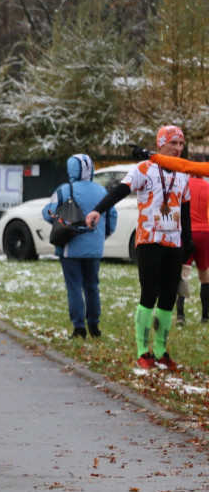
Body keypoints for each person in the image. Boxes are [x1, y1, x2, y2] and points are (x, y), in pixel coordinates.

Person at [86, 126, 191, 370]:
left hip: (173, 243)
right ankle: (144, 353)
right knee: (149, 294)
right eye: (173, 143)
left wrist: (188, 241)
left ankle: (162, 351)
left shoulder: (183, 173)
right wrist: (97, 210)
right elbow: (119, 191)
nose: (177, 148)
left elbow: (185, 210)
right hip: (148, 241)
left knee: (168, 299)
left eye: (181, 144)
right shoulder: (144, 169)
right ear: (161, 144)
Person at [41, 154, 117, 339]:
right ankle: (94, 326)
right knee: (92, 286)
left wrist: (62, 222)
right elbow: (112, 216)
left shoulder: (65, 190)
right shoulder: (101, 191)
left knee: (74, 286)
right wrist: (102, 235)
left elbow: (46, 213)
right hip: (94, 248)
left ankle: (78, 328)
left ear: (71, 169)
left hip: (70, 247)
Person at [132, 149, 209, 325]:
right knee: (205, 276)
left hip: (186, 231)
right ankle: (205, 317)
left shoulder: (185, 180)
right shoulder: (207, 186)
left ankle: (180, 315)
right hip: (205, 233)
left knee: (182, 275)